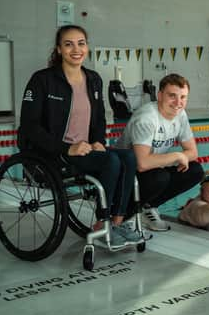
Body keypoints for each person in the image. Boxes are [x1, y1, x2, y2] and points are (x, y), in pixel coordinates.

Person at [19, 25, 139, 247]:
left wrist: (98, 142)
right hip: (54, 153)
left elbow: (100, 118)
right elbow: (30, 126)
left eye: (81, 43)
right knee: (112, 161)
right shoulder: (42, 80)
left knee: (129, 157)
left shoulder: (93, 79)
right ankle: (101, 223)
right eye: (69, 44)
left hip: (85, 149)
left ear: (87, 47)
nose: (76, 49)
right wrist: (67, 148)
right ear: (59, 49)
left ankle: (116, 221)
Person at [117, 73, 204, 231]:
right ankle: (124, 216)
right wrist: (177, 156)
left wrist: (178, 158)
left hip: (150, 170)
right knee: (160, 177)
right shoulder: (146, 118)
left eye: (183, 97)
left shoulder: (180, 115)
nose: (178, 103)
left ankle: (147, 207)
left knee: (195, 170)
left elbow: (193, 152)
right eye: (172, 96)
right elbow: (142, 163)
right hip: (124, 174)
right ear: (159, 95)